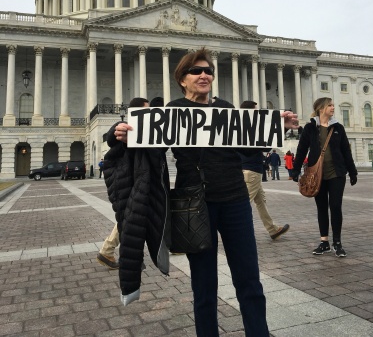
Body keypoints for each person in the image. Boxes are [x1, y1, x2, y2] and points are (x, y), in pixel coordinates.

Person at [113, 49, 298, 335]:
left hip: (235, 200)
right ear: (182, 79)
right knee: (204, 285)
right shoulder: (172, 111)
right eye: (196, 71)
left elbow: (248, 147)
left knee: (249, 280)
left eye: (208, 71)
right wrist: (123, 132)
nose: (204, 75)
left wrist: (276, 126)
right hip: (194, 204)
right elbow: (150, 145)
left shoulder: (226, 109)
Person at [292, 97, 357, 257]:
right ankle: (324, 242)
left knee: (335, 206)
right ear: (321, 109)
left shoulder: (338, 128)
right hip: (317, 176)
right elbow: (302, 149)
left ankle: (337, 242)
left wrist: (352, 171)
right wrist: (295, 170)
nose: (333, 108)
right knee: (321, 207)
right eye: (330, 105)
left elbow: (346, 151)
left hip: (336, 173)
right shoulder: (310, 128)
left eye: (333, 105)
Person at [96, 97, 151, 271]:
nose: (150, 113)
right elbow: (114, 135)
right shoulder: (128, 129)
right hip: (129, 183)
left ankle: (109, 250)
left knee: (133, 219)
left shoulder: (143, 131)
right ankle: (109, 250)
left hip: (135, 183)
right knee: (131, 220)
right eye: (146, 110)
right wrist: (116, 130)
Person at [240, 100, 290, 241]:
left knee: (261, 201)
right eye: (256, 110)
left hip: (250, 170)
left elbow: (265, 146)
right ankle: (233, 233)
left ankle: (273, 230)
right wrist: (283, 129)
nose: (259, 113)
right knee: (242, 204)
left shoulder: (241, 127)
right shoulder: (250, 127)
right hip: (251, 171)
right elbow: (266, 147)